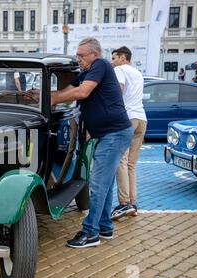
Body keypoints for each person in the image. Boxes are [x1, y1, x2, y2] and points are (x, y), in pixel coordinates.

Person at [48, 38, 133, 248]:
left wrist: (53, 99)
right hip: (110, 134)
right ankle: (104, 227)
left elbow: (82, 92)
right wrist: (41, 96)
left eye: (81, 55)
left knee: (97, 184)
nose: (78, 59)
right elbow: (67, 90)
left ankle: (90, 233)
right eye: (77, 55)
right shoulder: (86, 72)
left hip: (114, 134)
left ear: (95, 54)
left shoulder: (100, 65)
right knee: (105, 184)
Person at [110, 46, 147, 220]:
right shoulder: (138, 73)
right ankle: (133, 203)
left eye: (114, 58)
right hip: (142, 119)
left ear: (123, 57)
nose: (112, 62)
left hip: (128, 118)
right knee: (131, 164)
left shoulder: (120, 70)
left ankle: (124, 204)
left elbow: (117, 92)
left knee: (121, 161)